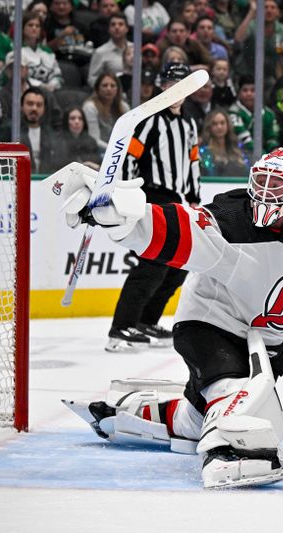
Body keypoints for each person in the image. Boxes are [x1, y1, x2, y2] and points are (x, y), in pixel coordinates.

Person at [54, 147, 283, 489]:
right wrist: (126, 218)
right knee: (238, 397)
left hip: (266, 345)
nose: (267, 193)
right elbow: (182, 228)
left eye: (277, 184)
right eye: (261, 182)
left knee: (193, 422)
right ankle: (233, 450)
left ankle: (127, 411)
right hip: (209, 326)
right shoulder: (229, 218)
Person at [106, 63, 202, 353]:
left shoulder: (189, 123)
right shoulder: (149, 119)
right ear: (162, 86)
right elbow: (130, 157)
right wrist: (127, 193)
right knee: (153, 262)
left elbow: (193, 162)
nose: (177, 89)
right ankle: (121, 327)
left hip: (176, 199)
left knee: (178, 264)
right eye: (172, 83)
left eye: (183, 84)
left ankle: (146, 321)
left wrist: (194, 195)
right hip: (150, 196)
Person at [229, 75, 280, 160]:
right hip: (239, 157)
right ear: (239, 93)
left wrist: (274, 151)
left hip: (265, 158)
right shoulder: (234, 113)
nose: (249, 94)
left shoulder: (268, 114)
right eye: (245, 90)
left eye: (253, 90)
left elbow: (272, 137)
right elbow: (245, 141)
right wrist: (265, 158)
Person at [82, 72, 130, 151]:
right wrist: (115, 151)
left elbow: (128, 135)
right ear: (98, 89)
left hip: (119, 150)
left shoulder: (124, 107)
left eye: (112, 86)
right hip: (97, 151)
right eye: (105, 85)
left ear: (117, 89)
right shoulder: (90, 107)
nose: (109, 89)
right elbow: (94, 139)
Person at [199, 108, 249, 176]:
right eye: (214, 124)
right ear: (209, 127)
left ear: (228, 125)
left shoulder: (238, 149)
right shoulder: (204, 152)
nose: (219, 127)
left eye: (222, 123)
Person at [87, 12, 131, 86]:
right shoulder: (100, 52)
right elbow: (92, 79)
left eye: (120, 24)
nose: (117, 27)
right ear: (109, 29)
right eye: (113, 24)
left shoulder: (136, 49)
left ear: (127, 29)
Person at [54, 106, 102, 171]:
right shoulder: (59, 142)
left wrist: (92, 165)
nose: (77, 121)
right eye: (72, 118)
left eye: (80, 118)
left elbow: (99, 167)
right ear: (66, 121)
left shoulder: (91, 142)